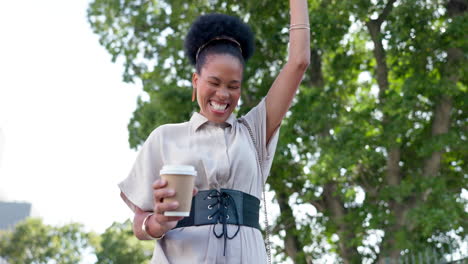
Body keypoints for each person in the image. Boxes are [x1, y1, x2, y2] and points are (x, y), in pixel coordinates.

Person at [118, 0, 310, 263]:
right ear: (196, 81)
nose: (223, 94)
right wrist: (158, 222)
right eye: (214, 82)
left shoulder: (254, 131)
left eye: (233, 86)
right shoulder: (165, 138)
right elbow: (139, 224)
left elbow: (298, 62)